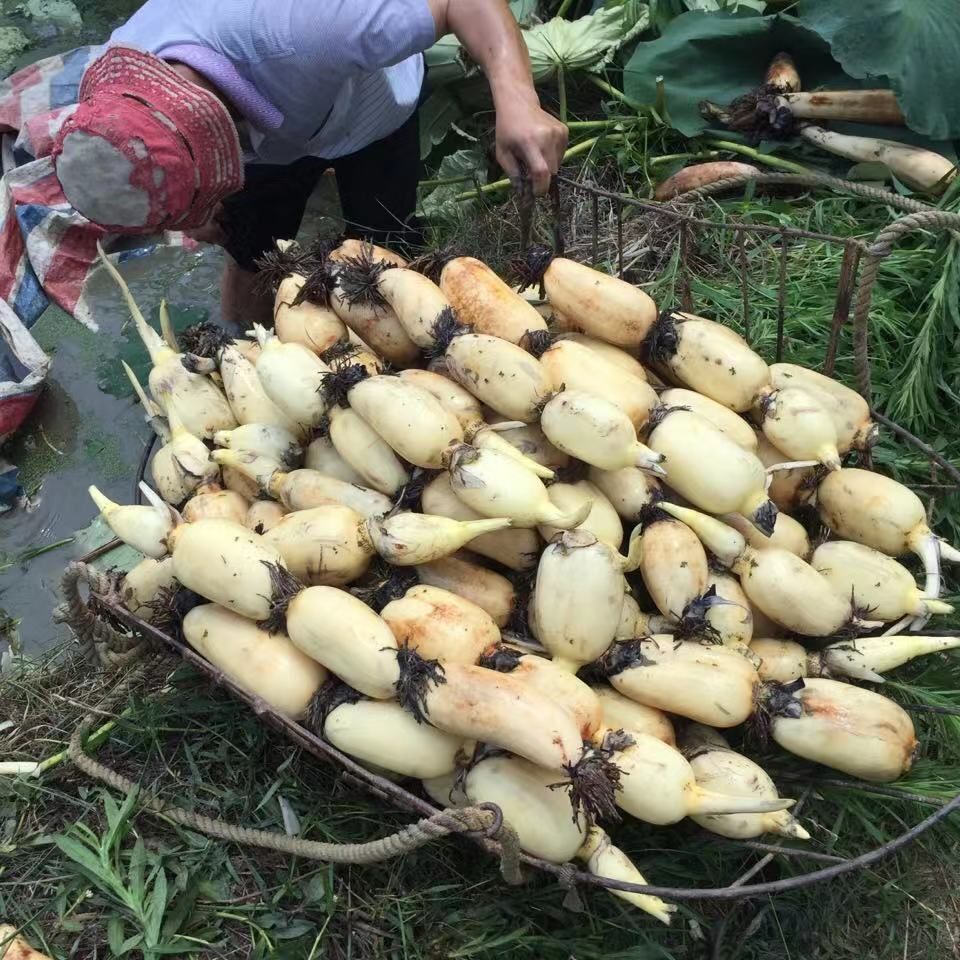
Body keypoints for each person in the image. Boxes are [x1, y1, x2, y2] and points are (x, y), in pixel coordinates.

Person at [0, 0, 567, 331]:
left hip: (373, 112)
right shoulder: (118, 88)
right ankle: (245, 341)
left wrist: (516, 99)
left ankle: (411, 342)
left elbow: (460, 3)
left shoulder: (312, 29)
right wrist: (189, 214)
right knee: (249, 247)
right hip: (268, 138)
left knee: (386, 241)